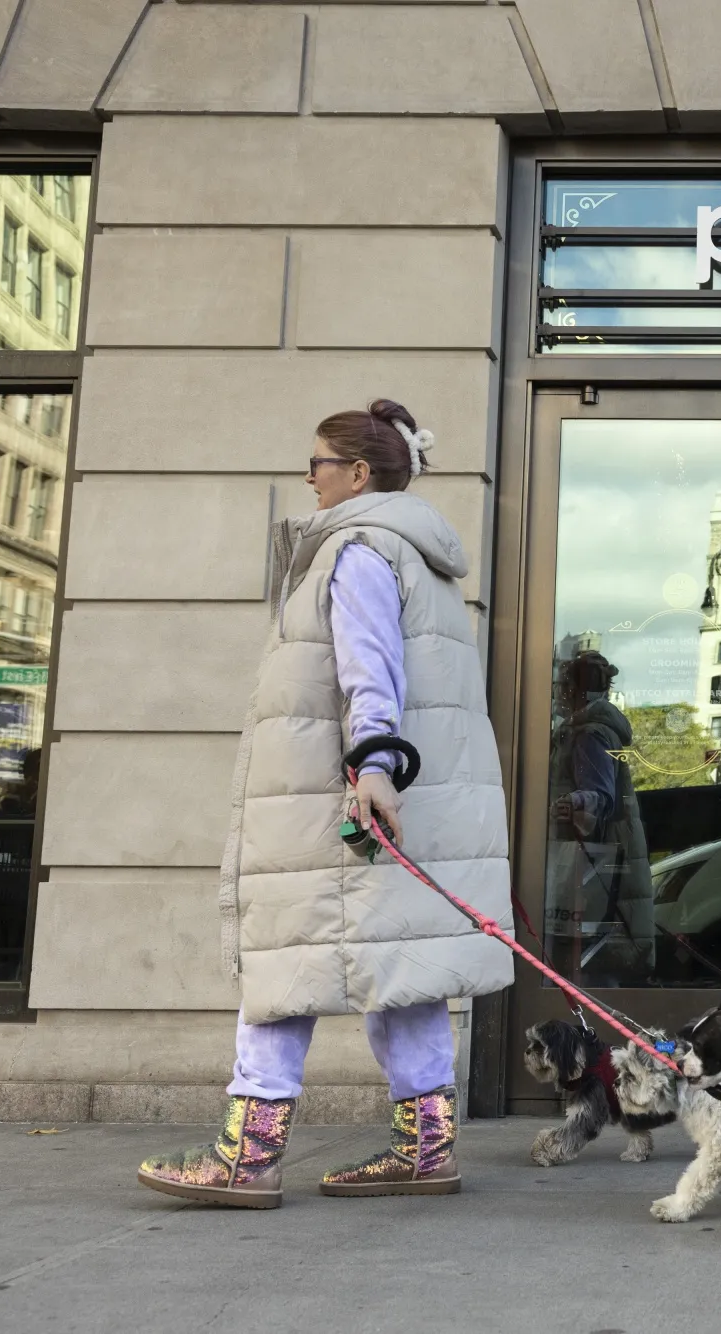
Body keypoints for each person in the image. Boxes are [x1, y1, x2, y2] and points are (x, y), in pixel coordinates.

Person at [138, 399, 513, 1208]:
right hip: (386, 799)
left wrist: (374, 762)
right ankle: (425, 1148)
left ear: (358, 473)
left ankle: (248, 1157)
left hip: (335, 796)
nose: (307, 476)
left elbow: (368, 664)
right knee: (400, 967)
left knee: (286, 960)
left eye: (317, 462)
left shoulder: (359, 549)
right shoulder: (421, 559)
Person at [546, 650, 654, 985]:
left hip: (590, 864)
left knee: (589, 960)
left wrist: (567, 804)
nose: (558, 694)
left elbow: (599, 797)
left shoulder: (589, 734)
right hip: (598, 862)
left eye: (564, 686)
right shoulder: (592, 730)